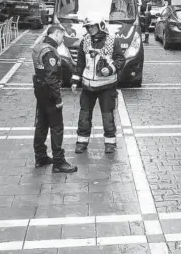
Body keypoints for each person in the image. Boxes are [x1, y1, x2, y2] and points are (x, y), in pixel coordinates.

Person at [71, 13, 125, 154]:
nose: (89, 29)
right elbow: (80, 63)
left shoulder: (112, 41)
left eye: (92, 26)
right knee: (84, 116)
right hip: (88, 86)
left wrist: (110, 69)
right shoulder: (85, 41)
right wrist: (75, 81)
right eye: (87, 27)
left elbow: (120, 60)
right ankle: (81, 142)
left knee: (108, 116)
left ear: (100, 26)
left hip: (107, 86)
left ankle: (110, 143)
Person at [32, 25, 78, 173]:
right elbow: (51, 77)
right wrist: (58, 99)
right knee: (57, 127)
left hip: (40, 91)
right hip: (50, 93)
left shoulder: (39, 47)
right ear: (56, 34)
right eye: (61, 36)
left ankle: (40, 157)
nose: (62, 40)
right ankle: (59, 162)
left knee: (42, 125)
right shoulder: (50, 52)